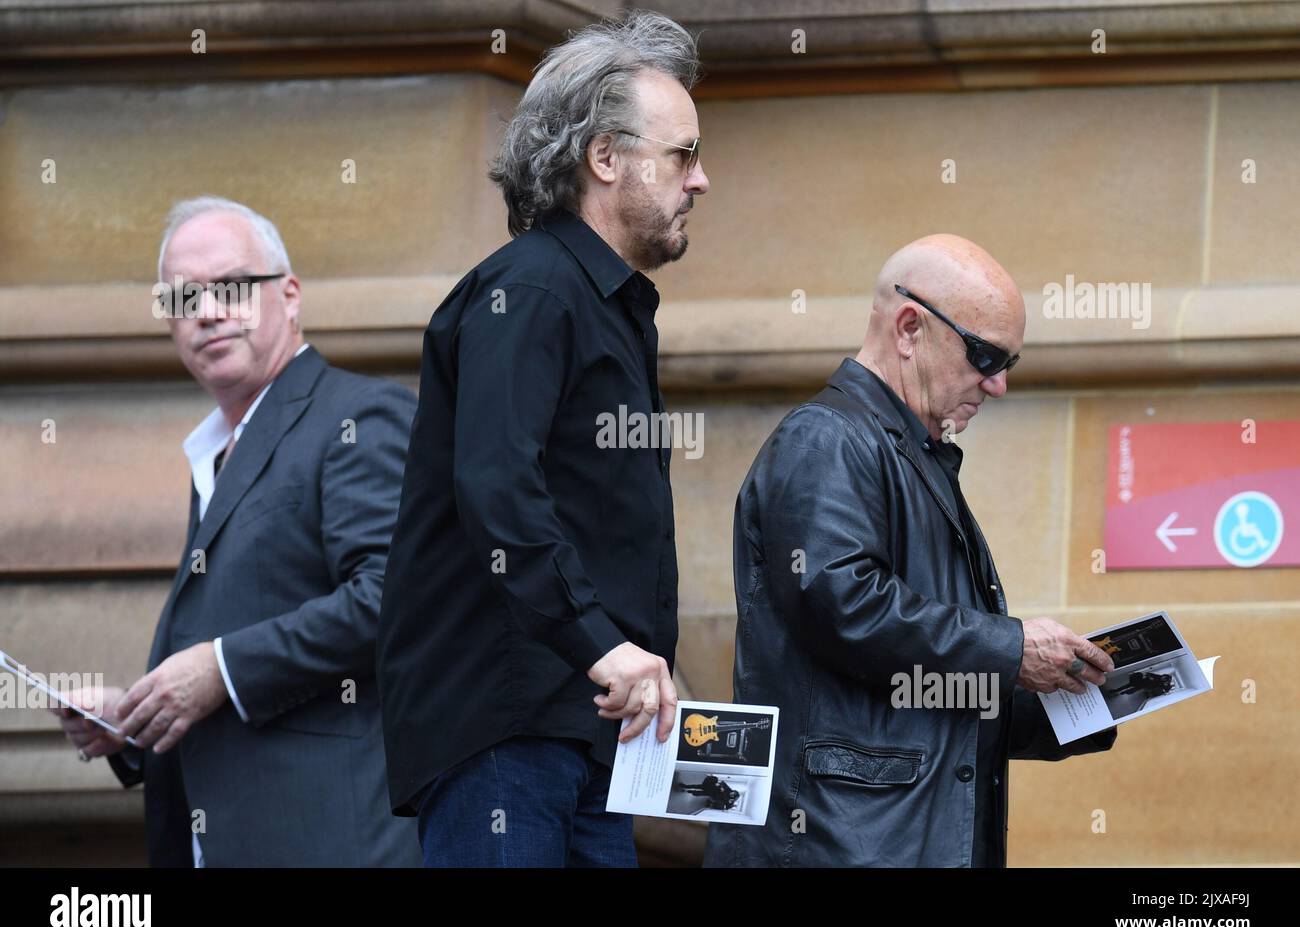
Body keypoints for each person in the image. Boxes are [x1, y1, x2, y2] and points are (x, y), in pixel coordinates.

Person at [376, 10, 709, 867]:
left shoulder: (601, 303)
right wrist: (607, 646)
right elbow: (497, 489)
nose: (701, 180)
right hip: (509, 734)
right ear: (605, 158)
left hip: (585, 736)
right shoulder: (529, 290)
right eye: (682, 155)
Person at [703, 235, 1118, 868]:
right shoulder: (827, 437)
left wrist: (1082, 700)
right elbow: (843, 606)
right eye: (984, 354)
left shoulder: (907, 454)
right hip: (835, 844)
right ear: (908, 328)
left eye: (1010, 362)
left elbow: (922, 686)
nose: (998, 384)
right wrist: (1011, 649)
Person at [54, 196, 420, 867]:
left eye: (230, 287)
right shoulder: (218, 453)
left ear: (289, 294)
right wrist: (137, 715)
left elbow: (391, 597)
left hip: (335, 844)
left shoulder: (358, 414)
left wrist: (220, 669)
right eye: (183, 297)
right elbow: (234, 645)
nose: (207, 311)